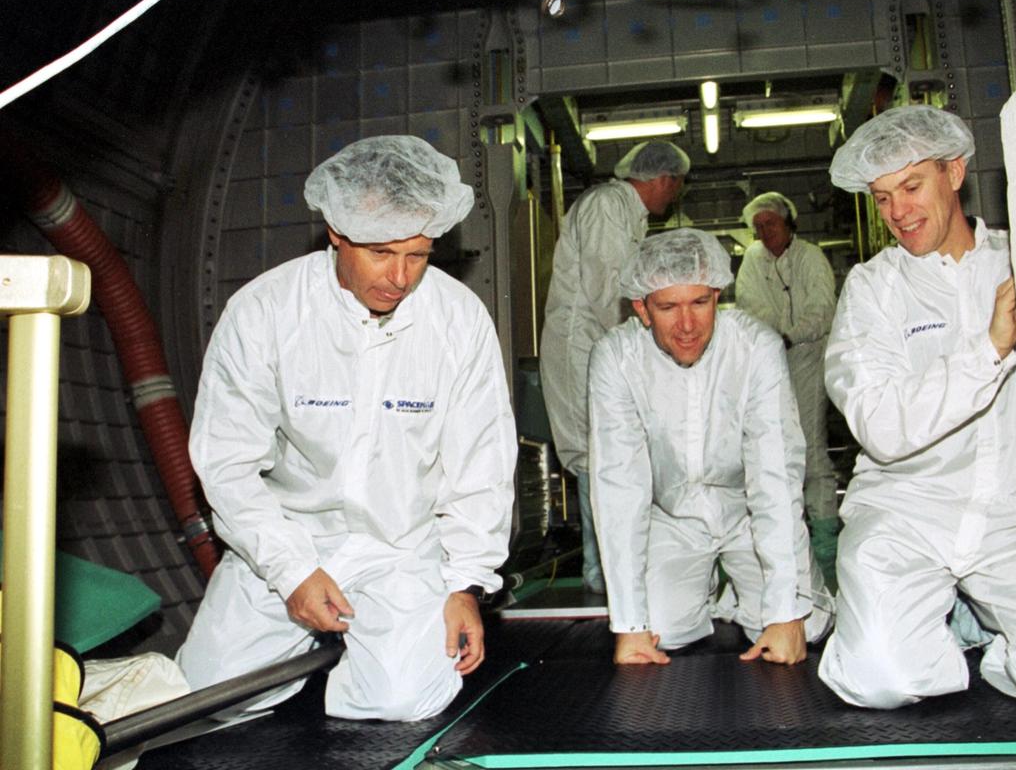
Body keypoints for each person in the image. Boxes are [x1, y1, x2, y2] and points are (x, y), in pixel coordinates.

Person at [177, 136, 517, 721]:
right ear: (337, 232)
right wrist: (290, 572)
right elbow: (227, 463)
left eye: (419, 255)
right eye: (381, 253)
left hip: (401, 547)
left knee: (403, 700)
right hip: (291, 537)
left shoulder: (458, 319)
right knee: (209, 697)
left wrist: (465, 586)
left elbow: (481, 465)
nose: (401, 277)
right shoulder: (265, 312)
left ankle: (375, 652)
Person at [818, 105, 1016, 708]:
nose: (898, 213)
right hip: (906, 515)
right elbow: (881, 425)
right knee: (881, 678)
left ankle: (965, 624)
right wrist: (992, 347)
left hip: (1014, 521)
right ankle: (916, 615)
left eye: (912, 186)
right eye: (882, 197)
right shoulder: (873, 289)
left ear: (955, 171)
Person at [588, 228, 833, 666]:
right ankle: (705, 589)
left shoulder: (756, 347)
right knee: (660, 631)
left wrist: (784, 614)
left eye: (700, 303)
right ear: (642, 309)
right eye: (668, 307)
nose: (687, 325)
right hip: (671, 518)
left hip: (747, 516)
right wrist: (629, 625)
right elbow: (618, 487)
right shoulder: (616, 358)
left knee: (808, 627)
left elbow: (775, 476)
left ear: (718, 295)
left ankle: (744, 592)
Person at [539, 141, 690, 593]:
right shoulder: (607, 204)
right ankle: (603, 573)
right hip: (582, 346)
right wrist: (650, 344)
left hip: (603, 343)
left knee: (613, 452)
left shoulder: (627, 213)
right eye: (675, 188)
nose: (672, 198)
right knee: (596, 456)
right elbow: (608, 287)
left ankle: (617, 568)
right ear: (663, 179)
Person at [733, 192, 839, 584]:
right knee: (771, 452)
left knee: (811, 451)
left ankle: (826, 544)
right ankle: (786, 542)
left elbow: (823, 308)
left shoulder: (810, 257)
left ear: (788, 221)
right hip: (769, 362)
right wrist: (774, 337)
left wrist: (793, 335)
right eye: (757, 227)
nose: (763, 232)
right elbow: (749, 304)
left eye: (770, 224)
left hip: (808, 357)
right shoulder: (751, 261)